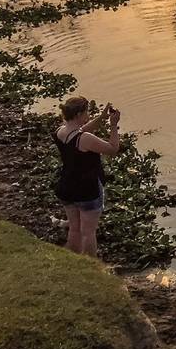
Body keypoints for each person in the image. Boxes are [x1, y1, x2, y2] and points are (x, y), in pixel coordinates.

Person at [53, 96, 124, 257]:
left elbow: (80, 130)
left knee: (75, 228)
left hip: (66, 187)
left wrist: (102, 117)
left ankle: (72, 260)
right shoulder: (85, 139)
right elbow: (112, 149)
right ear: (79, 114)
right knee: (88, 232)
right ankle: (91, 266)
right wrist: (113, 125)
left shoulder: (60, 132)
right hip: (87, 190)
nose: (89, 115)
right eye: (87, 112)